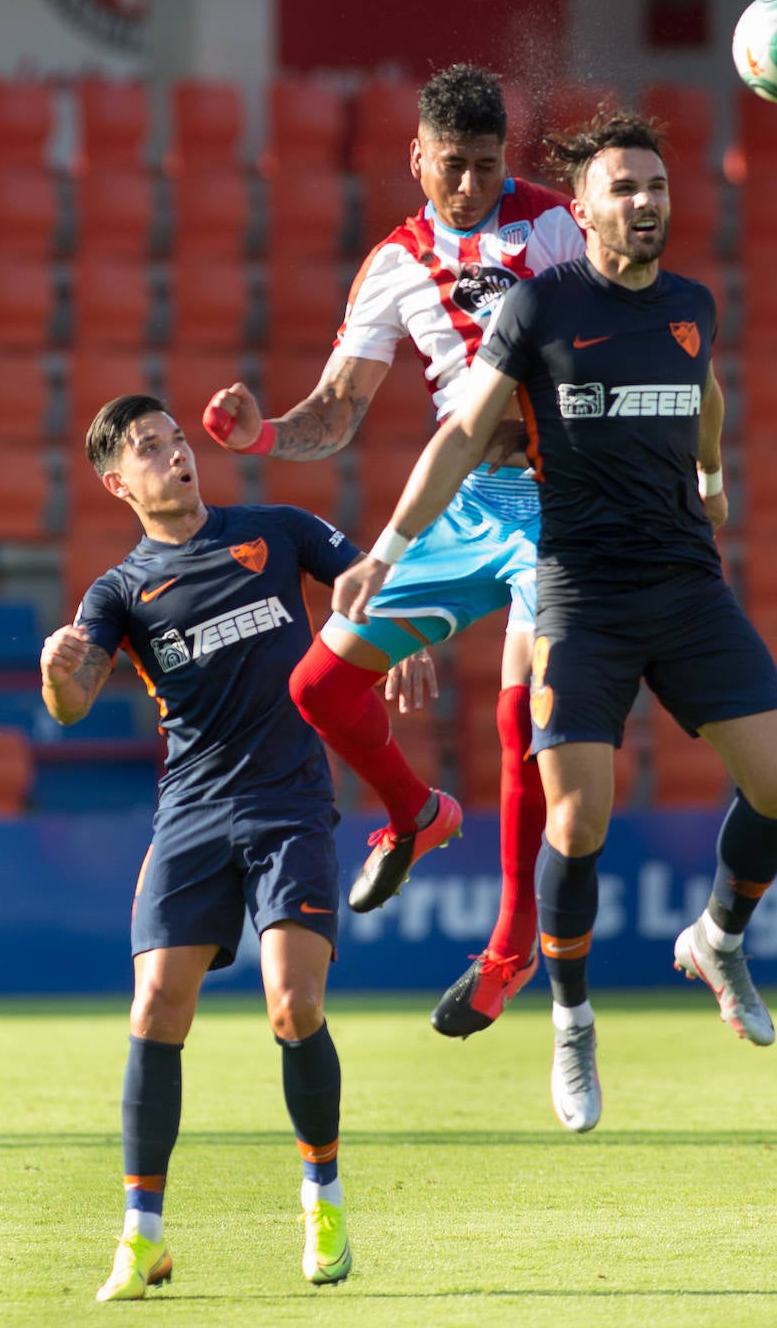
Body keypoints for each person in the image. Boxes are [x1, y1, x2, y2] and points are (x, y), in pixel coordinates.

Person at [329, 111, 777, 1134]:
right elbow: (462, 434)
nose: (644, 203)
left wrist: (712, 478)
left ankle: (716, 940)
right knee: (576, 822)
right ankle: (571, 1023)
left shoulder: (691, 306)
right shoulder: (539, 308)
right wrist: (385, 553)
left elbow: (706, 395)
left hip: (683, 578)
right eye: (622, 189)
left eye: (655, 187)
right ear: (579, 209)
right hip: (577, 589)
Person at [203, 63, 587, 1040]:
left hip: (564, 501)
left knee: (531, 728)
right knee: (319, 688)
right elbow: (334, 413)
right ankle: (415, 811)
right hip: (460, 508)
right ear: (416, 157)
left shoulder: (551, 226)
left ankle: (508, 953)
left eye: (486, 166)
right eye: (451, 166)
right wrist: (257, 438)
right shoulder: (392, 263)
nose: (469, 186)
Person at [40, 395, 363, 1299]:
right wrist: (55, 679)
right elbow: (72, 703)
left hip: (289, 802)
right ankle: (143, 1235)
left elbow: (370, 574)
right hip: (191, 811)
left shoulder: (276, 529)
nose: (176, 455)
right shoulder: (117, 591)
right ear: (117, 483)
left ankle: (323, 1199)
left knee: (294, 1007)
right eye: (150, 449)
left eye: (177, 440)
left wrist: (395, 634)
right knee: (154, 1008)